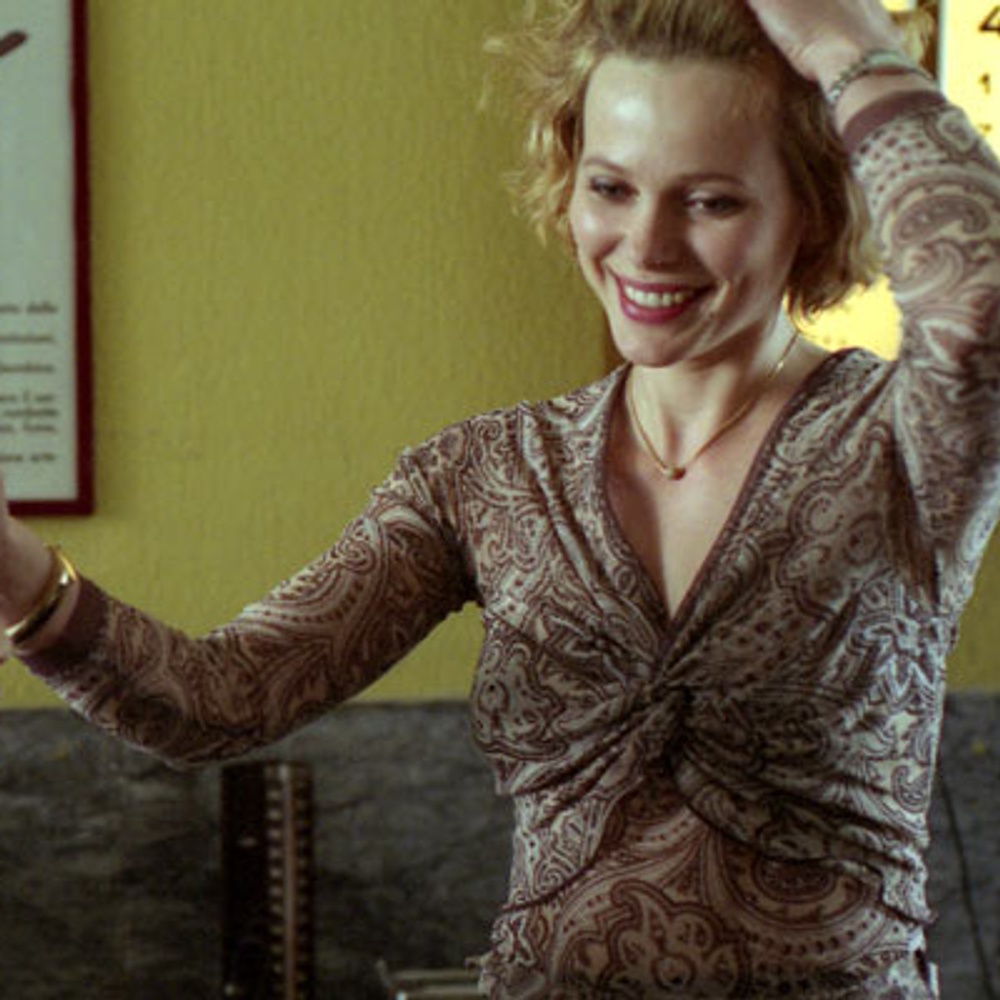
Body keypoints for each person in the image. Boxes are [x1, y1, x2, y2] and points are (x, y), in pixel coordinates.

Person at [2, 0, 998, 995]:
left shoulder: (903, 444)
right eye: (611, 187)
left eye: (709, 202)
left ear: (813, 206)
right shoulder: (487, 475)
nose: (645, 245)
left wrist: (850, 51)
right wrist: (13, 569)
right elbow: (220, 700)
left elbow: (979, 308)